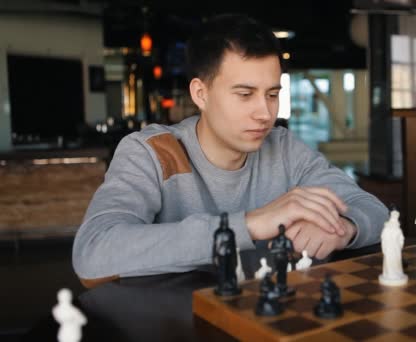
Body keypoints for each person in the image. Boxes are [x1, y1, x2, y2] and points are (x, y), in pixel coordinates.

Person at [72, 14, 387, 287]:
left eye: (272, 94)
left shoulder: (284, 148)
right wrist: (250, 224)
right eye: (245, 94)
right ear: (201, 93)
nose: (264, 113)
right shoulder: (154, 152)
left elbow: (370, 208)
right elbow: (94, 252)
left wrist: (346, 228)